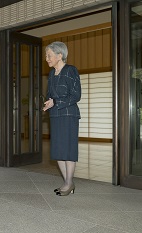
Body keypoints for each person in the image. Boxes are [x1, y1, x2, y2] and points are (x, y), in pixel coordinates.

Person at [42, 42, 81, 196]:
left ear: (59, 55)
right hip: (55, 115)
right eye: (46, 55)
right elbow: (49, 94)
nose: (46, 59)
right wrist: (48, 102)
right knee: (58, 150)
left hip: (69, 115)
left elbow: (76, 95)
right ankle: (68, 183)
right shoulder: (52, 74)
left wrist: (56, 102)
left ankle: (68, 183)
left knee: (68, 150)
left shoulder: (71, 70)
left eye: (49, 55)